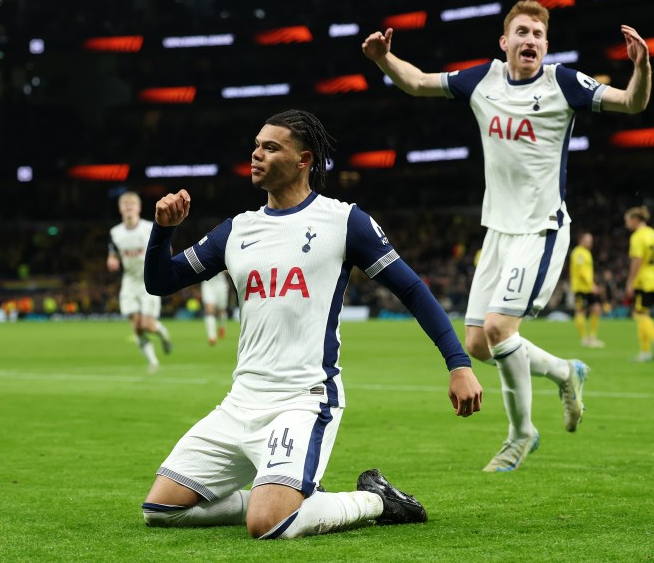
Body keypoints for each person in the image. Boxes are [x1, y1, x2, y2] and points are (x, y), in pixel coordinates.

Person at [141, 110, 483, 539]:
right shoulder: (236, 230)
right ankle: (284, 492)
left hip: (304, 399)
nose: (256, 154)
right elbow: (161, 282)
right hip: (240, 401)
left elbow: (412, 290)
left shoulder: (344, 222)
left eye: (271, 147)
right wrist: (162, 232)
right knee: (160, 510)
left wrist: (458, 363)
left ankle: (375, 500)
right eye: (255, 146)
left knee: (267, 525)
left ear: (304, 160)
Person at [362, 0, 652, 471]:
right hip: (497, 231)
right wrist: (382, 59)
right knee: (477, 343)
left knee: (499, 330)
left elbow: (632, 102)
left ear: (545, 44)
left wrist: (641, 67)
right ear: (505, 42)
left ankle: (522, 434)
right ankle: (564, 371)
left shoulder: (563, 82)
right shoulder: (484, 79)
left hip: (542, 229)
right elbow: (416, 83)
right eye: (522, 32)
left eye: (538, 34)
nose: (530, 40)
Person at [107, 191, 172, 372]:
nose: (129, 207)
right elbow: (112, 254)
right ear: (120, 209)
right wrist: (112, 260)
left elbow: (165, 246)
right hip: (129, 281)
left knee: (147, 325)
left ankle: (163, 334)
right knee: (136, 326)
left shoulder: (149, 228)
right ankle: (153, 363)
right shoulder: (115, 233)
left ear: (139, 208)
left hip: (148, 279)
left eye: (132, 204)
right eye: (125, 204)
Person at [623, 206, 654, 361]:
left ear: (635, 220)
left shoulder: (638, 236)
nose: (626, 224)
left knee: (639, 314)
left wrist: (630, 282)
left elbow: (637, 260)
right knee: (643, 313)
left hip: (643, 280)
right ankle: (644, 352)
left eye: (627, 221)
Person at [570, 232, 605, 348]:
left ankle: (592, 337)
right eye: (588, 241)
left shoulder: (586, 253)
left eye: (591, 241)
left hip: (588, 287)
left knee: (596, 309)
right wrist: (592, 285)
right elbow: (581, 272)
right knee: (580, 311)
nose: (590, 243)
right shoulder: (578, 253)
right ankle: (584, 338)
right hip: (581, 287)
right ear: (581, 240)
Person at [200, 272, 230, 346]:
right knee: (209, 309)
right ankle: (212, 337)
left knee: (221, 310)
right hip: (208, 284)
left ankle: (222, 326)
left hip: (221, 285)